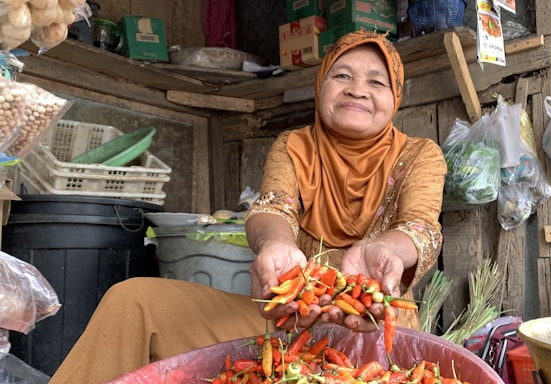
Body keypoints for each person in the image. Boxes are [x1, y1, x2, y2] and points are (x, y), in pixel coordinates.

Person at [49, 30, 446, 384]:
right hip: (287, 324)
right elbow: (274, 207)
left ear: (395, 97)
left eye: (376, 81)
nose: (357, 89)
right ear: (320, 85)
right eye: (341, 76)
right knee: (133, 301)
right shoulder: (295, 146)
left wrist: (387, 250)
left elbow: (421, 226)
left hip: (372, 334)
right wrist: (275, 246)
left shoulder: (419, 155)